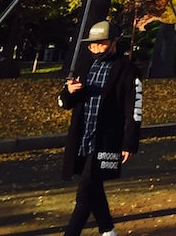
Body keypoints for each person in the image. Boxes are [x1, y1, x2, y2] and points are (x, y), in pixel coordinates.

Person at [58, 20, 142, 236]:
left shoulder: (128, 70)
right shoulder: (86, 65)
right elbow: (64, 102)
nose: (95, 49)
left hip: (107, 140)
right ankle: (108, 230)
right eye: (92, 45)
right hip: (82, 137)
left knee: (85, 191)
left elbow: (134, 108)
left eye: (101, 44)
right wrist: (68, 92)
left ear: (114, 42)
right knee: (93, 186)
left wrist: (129, 143)